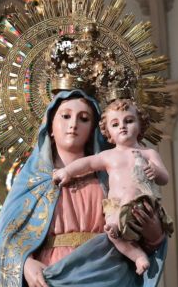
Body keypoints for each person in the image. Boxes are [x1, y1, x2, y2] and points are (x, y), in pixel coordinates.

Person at [0, 86, 167, 287]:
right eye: (65, 116)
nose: (73, 124)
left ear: (94, 129)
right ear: (50, 127)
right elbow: (4, 239)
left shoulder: (112, 174)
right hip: (52, 286)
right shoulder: (32, 182)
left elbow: (146, 233)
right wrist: (25, 264)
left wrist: (153, 233)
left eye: (84, 118)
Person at [50, 97, 171, 276]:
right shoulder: (108, 156)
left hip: (138, 205)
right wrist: (67, 172)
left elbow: (164, 177)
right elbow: (88, 163)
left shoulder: (148, 153)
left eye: (129, 121)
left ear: (141, 125)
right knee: (114, 234)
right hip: (115, 209)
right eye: (115, 124)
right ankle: (137, 256)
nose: (122, 127)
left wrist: (155, 170)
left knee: (129, 196)